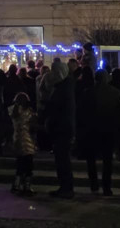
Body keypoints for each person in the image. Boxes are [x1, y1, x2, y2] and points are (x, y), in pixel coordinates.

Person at [79, 70, 120, 196]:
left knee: (91, 160)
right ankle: (106, 186)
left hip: (92, 130)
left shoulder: (88, 92)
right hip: (108, 129)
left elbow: (82, 112)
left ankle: (94, 184)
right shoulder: (115, 92)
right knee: (107, 160)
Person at [45, 60, 75, 198]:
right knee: (62, 159)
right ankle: (65, 186)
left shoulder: (62, 89)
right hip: (62, 128)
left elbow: (57, 109)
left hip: (62, 129)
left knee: (62, 160)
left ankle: (66, 188)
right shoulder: (64, 87)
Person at [10, 91, 36, 196]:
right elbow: (33, 124)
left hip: (19, 138)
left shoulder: (13, 110)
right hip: (26, 138)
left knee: (21, 163)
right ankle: (26, 185)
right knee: (28, 163)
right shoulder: (28, 111)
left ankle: (17, 184)